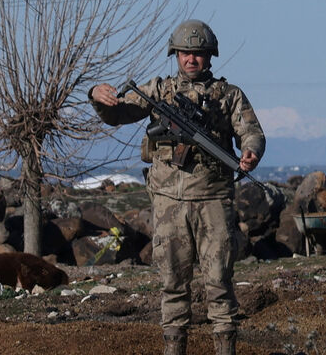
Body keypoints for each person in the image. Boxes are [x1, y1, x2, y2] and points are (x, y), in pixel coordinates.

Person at [88, 19, 265, 355]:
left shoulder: (229, 96)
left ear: (209, 55)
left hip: (213, 200)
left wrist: (251, 152)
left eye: (198, 54)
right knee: (172, 285)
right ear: (176, 54)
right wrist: (97, 95)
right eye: (185, 53)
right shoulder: (158, 91)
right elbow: (117, 114)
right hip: (169, 202)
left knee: (219, 283)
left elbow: (251, 131)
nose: (191, 60)